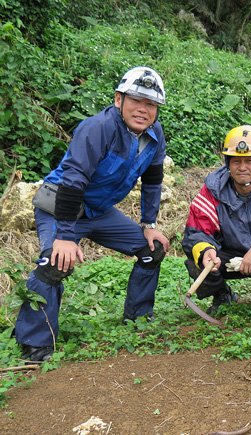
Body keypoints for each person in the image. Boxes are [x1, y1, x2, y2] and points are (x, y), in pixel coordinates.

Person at [15, 66, 170, 363]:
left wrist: (149, 224)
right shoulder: (97, 128)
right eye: (135, 99)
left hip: (97, 210)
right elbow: (73, 182)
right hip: (59, 203)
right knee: (54, 262)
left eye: (151, 104)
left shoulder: (154, 135)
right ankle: (35, 343)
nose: (143, 109)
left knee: (153, 249)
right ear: (118, 99)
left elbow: (153, 179)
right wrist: (64, 236)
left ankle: (138, 319)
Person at [181, 125, 251, 314]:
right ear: (227, 163)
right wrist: (205, 250)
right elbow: (196, 232)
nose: (242, 167)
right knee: (195, 259)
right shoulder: (212, 191)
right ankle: (222, 295)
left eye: (249, 161)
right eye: (236, 161)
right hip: (226, 255)